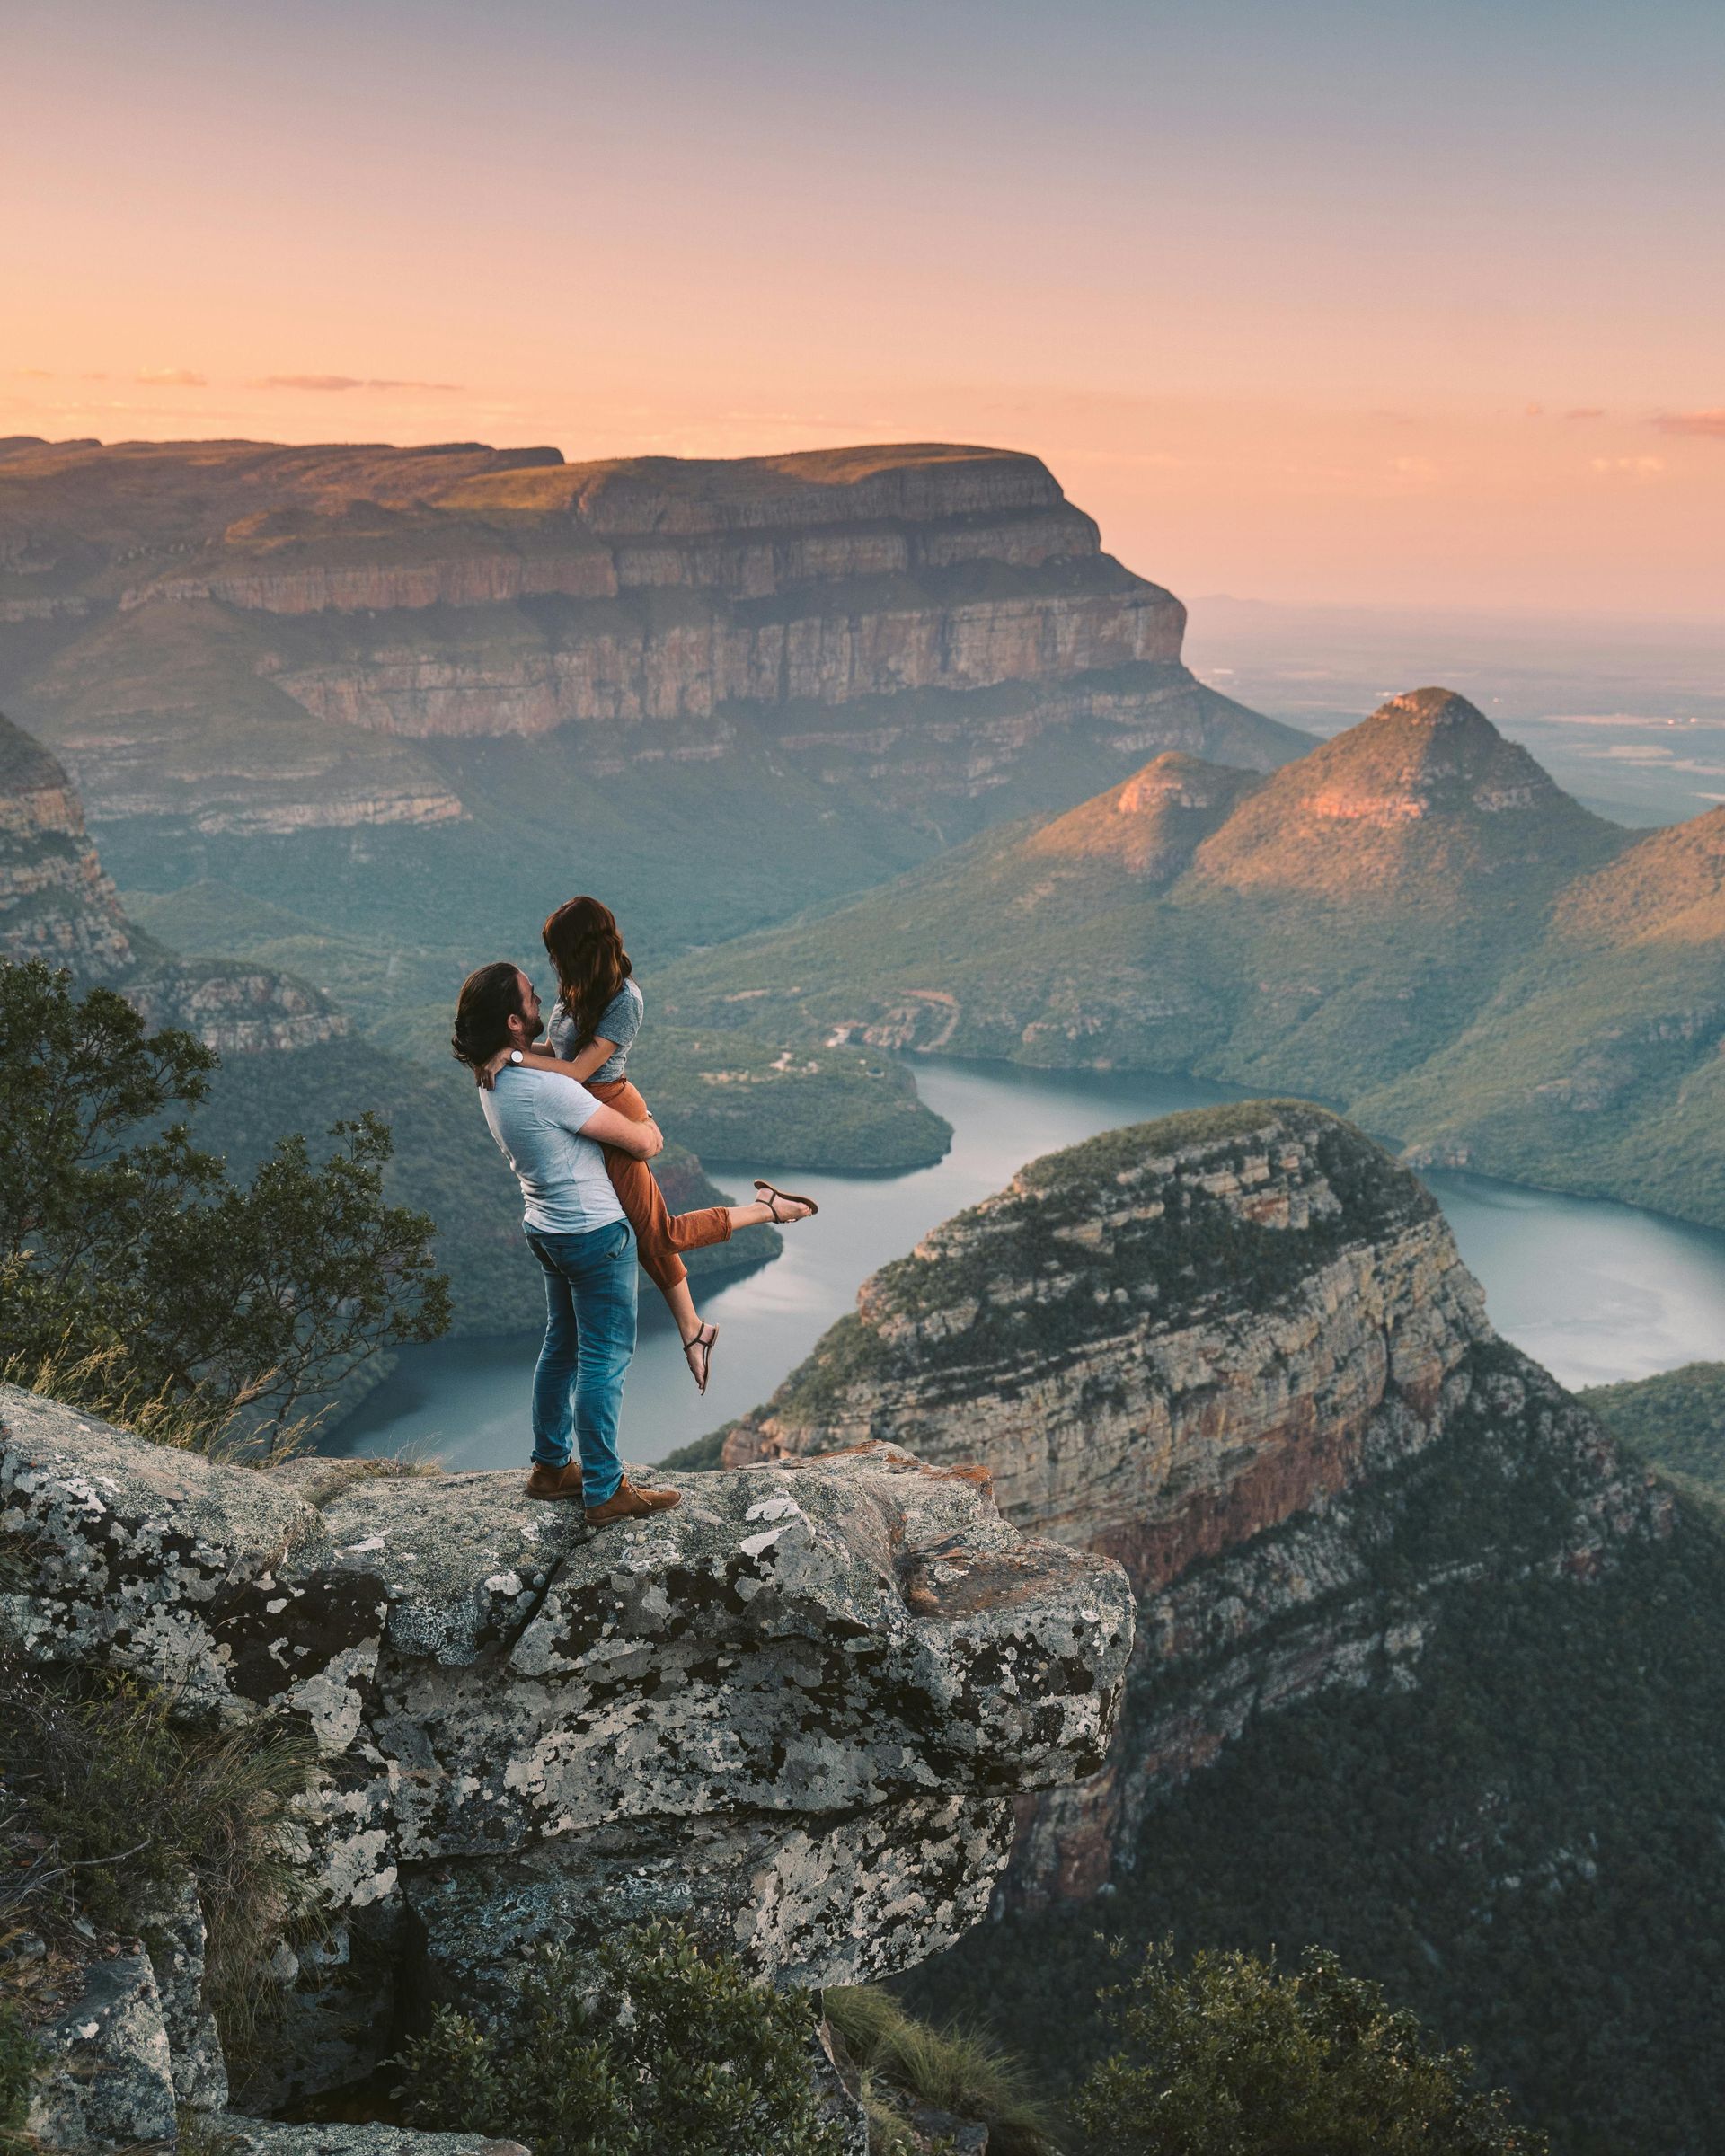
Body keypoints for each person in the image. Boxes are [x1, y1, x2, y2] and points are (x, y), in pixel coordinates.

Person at [481, 896, 819, 1397]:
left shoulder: (625, 1000)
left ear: (581, 947)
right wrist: (515, 1053)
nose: (553, 964)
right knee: (648, 1231)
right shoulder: (573, 990)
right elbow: (561, 1051)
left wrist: (510, 1055)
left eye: (558, 952)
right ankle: (693, 1330)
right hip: (581, 1107)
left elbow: (577, 1072)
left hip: (609, 1108)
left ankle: (764, 1211)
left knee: (658, 1236)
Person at [452, 959, 680, 1524]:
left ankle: (551, 1468)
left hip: (545, 1228)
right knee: (605, 1356)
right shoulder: (545, 1087)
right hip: (594, 1233)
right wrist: (651, 1125)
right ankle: (605, 1489)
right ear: (512, 1022)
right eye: (531, 1000)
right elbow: (640, 1143)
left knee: (561, 1347)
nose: (541, 1004)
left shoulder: (494, 1077)